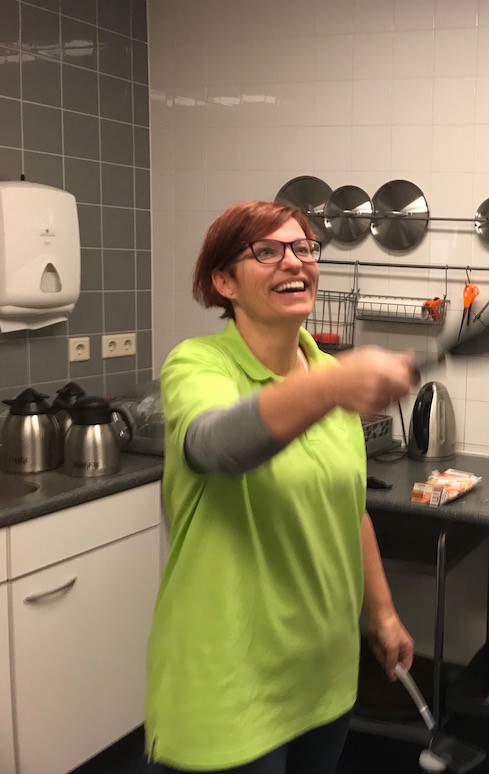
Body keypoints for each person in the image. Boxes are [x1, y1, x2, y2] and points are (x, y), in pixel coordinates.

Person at [146, 200, 418, 773]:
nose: (294, 262)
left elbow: (350, 509)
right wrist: (332, 388)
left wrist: (383, 612)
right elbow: (215, 445)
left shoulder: (327, 372)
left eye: (303, 248)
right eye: (267, 252)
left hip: (323, 677)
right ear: (225, 282)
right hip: (230, 685)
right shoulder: (198, 365)